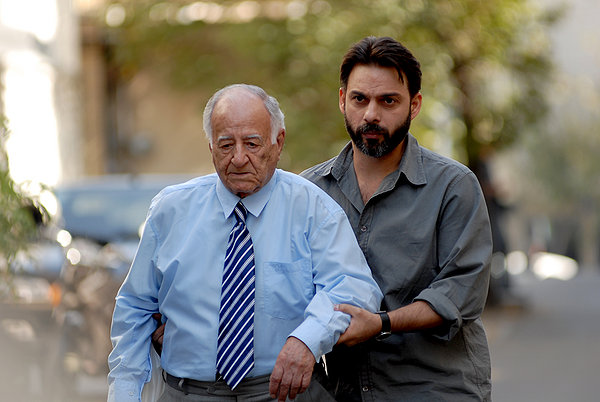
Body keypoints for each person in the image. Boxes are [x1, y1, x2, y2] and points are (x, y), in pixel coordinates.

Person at [107, 84, 383, 402]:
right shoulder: (171, 210)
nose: (238, 159)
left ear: (278, 142)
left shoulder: (313, 209)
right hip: (187, 392)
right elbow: (135, 307)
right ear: (210, 146)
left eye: (252, 143)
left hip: (282, 392)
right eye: (226, 145)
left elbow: (353, 289)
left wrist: (307, 339)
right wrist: (125, 392)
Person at [300, 36, 493, 401]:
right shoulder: (309, 191)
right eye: (360, 99)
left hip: (432, 387)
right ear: (342, 100)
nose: (371, 114)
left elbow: (461, 291)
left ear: (414, 105)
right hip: (341, 390)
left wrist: (381, 324)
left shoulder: (453, 186)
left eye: (388, 101)